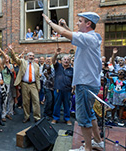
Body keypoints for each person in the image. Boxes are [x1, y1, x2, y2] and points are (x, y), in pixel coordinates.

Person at [43, 12, 104, 151]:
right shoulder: (91, 38)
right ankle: (98, 142)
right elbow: (75, 36)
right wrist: (66, 27)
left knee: (83, 118)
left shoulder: (88, 38)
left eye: (80, 21)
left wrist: (49, 22)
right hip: (90, 83)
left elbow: (64, 33)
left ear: (88, 23)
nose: (77, 23)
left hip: (85, 84)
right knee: (90, 114)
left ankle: (87, 148)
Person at [9, 44, 41, 123]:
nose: (31, 57)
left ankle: (37, 117)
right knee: (26, 102)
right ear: (27, 57)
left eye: (33, 56)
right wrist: (12, 51)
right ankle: (26, 117)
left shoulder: (36, 65)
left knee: (36, 101)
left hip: (33, 85)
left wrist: (38, 86)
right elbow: (15, 59)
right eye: (30, 55)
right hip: (24, 84)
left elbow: (37, 77)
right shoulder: (23, 62)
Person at [51, 50, 73, 125]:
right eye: (65, 59)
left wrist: (73, 88)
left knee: (67, 105)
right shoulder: (58, 66)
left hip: (67, 90)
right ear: (61, 61)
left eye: (68, 60)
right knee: (57, 104)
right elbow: (53, 60)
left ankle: (67, 119)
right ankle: (55, 118)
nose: (66, 61)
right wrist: (56, 54)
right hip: (58, 89)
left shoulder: (72, 70)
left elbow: (73, 81)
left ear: (70, 62)